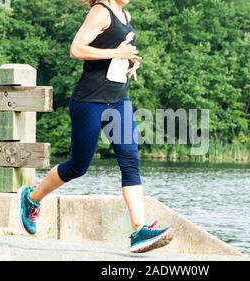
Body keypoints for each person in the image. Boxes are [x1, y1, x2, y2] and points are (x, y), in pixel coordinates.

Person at [16, 0, 174, 254]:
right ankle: (31, 199)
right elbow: (76, 49)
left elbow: (117, 52)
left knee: (130, 160)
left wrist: (131, 62)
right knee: (78, 166)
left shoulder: (125, 14)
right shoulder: (100, 12)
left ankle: (139, 230)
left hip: (118, 101)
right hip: (89, 101)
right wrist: (117, 54)